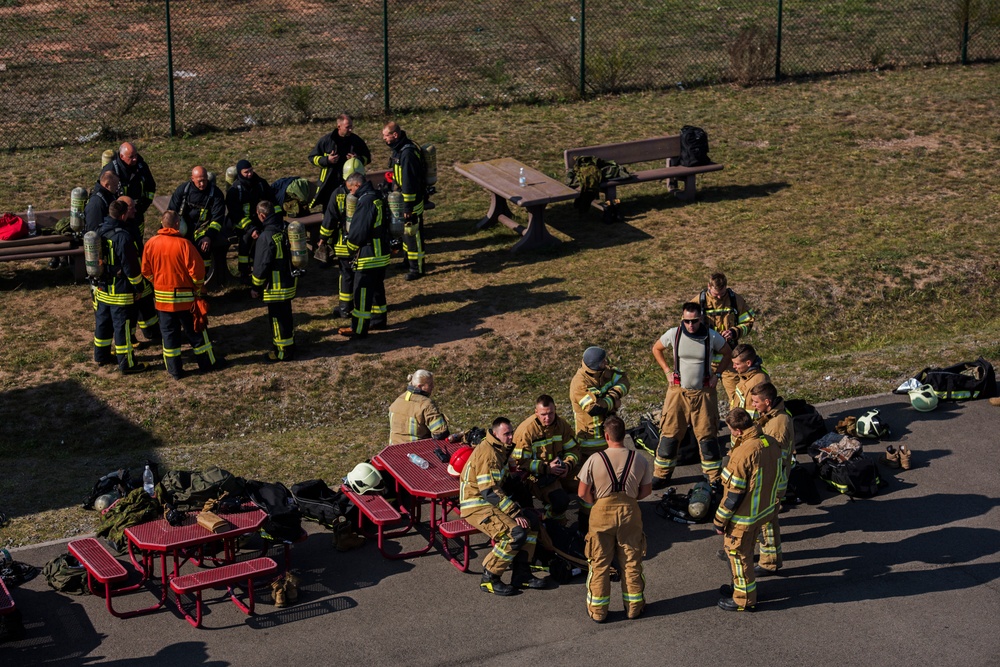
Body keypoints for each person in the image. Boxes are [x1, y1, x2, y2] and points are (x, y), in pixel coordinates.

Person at [460, 417, 549, 595]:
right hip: (477, 505)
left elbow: (505, 482)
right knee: (514, 534)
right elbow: (490, 491)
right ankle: (490, 577)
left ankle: (522, 575)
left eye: (511, 433)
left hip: (489, 502)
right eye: (506, 434)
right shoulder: (489, 454)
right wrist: (515, 512)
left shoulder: (500, 449)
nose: (510, 437)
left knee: (531, 522)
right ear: (495, 434)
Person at [650, 302, 733, 490]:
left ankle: (713, 478)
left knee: (707, 436)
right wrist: (666, 371)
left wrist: (717, 375)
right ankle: (661, 475)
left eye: (694, 321)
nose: (690, 325)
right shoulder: (674, 334)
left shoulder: (712, 337)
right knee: (669, 435)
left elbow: (727, 353)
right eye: (686, 321)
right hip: (677, 393)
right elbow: (656, 348)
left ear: (701, 318)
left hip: (704, 393)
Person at [577, 415, 652, 622]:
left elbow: (582, 493)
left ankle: (598, 612)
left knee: (599, 563)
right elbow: (646, 491)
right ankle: (634, 607)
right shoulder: (639, 459)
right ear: (624, 434)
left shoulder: (594, 459)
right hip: (630, 512)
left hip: (601, 513)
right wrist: (629, 500)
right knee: (631, 561)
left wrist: (598, 503)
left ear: (606, 436)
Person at [141, 210, 223, 379]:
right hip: (185, 301)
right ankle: (206, 364)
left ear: (163, 224)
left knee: (169, 337)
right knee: (197, 334)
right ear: (177, 224)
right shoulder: (184, 245)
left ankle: (175, 371)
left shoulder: (151, 243)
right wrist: (197, 289)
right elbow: (197, 272)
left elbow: (146, 271)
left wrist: (157, 283)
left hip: (163, 302)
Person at [713, 408, 781, 612]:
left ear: (738, 431)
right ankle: (738, 588)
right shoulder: (769, 442)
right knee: (748, 553)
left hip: (744, 517)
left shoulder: (743, 453)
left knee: (738, 556)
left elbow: (733, 494)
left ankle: (743, 599)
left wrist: (719, 521)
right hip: (764, 510)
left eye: (731, 430)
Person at [569, 346, 630, 531]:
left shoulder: (605, 371)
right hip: (590, 443)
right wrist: (613, 402)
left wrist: (612, 395)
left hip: (608, 439)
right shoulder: (579, 384)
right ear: (595, 365)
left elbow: (624, 380)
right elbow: (595, 409)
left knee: (612, 478)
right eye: (604, 361)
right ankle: (585, 521)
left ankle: (609, 514)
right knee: (592, 484)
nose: (607, 362)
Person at [93, 200, 147, 374]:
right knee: (122, 328)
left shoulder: (99, 230)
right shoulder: (123, 236)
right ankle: (127, 364)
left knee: (103, 324)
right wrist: (139, 287)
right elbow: (130, 267)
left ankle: (101, 356)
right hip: (120, 293)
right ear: (123, 215)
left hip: (102, 290)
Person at [511, 395, 581, 522]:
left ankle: (586, 523)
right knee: (559, 501)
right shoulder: (526, 431)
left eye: (551, 413)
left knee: (587, 484)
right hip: (534, 476)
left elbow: (573, 450)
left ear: (555, 410)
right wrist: (546, 468)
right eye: (543, 414)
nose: (547, 418)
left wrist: (567, 465)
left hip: (561, 471)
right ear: (536, 412)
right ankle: (549, 524)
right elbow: (520, 463)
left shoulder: (562, 426)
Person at [750, 382, 795, 575]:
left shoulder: (778, 424)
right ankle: (750, 551)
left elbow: (772, 457)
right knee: (756, 518)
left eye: (755, 401)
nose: (753, 405)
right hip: (766, 476)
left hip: (772, 479)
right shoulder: (770, 416)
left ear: (767, 402)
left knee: (767, 521)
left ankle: (769, 562)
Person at [337, 171, 389, 338]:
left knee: (362, 291)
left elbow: (359, 230)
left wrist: (351, 248)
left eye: (351, 189)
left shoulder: (365, 201)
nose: (351, 193)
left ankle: (358, 328)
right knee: (377, 289)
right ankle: (379, 320)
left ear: (357, 185)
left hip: (369, 255)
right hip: (381, 252)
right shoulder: (377, 196)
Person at [695, 273, 755, 407]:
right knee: (704, 400)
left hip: (729, 360)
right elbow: (687, 326)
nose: (719, 297)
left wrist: (734, 331)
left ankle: (737, 423)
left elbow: (748, 321)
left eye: (722, 293)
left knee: (737, 397)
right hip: (706, 362)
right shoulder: (698, 302)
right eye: (716, 294)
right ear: (708, 286)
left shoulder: (735, 300)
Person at [250, 201, 297, 362]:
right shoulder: (283, 229)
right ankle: (290, 346)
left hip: (275, 287)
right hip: (288, 283)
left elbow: (261, 265)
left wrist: (255, 286)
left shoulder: (266, 236)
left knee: (277, 321)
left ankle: (282, 352)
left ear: (262, 215)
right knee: (287, 317)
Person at [316, 159, 361, 319]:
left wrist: (323, 238)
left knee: (346, 275)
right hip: (362, 243)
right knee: (359, 275)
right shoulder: (368, 193)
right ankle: (360, 305)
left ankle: (344, 308)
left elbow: (330, 219)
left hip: (343, 243)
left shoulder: (337, 193)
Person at [382, 121, 426, 280]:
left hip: (411, 202)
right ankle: (408, 261)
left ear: (395, 135)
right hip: (404, 200)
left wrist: (408, 208)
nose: (384, 139)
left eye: (386, 135)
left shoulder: (407, 154)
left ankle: (418, 268)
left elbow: (409, 183)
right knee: (406, 233)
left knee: (414, 234)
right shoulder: (399, 150)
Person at [166, 166, 226, 276]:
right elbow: (171, 211)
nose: (202, 184)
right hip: (184, 226)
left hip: (204, 228)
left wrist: (209, 236)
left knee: (203, 248)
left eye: (204, 180)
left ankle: (203, 277)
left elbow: (217, 219)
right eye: (199, 181)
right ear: (192, 178)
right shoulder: (183, 190)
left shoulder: (216, 194)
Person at [226, 159, 277, 284]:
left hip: (261, 221)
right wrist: (250, 228)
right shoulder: (235, 190)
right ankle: (244, 271)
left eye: (251, 171)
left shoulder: (260, 183)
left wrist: (274, 220)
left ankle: (265, 268)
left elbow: (272, 202)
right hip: (242, 223)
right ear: (239, 173)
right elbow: (235, 214)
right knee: (245, 240)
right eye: (246, 172)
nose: (249, 174)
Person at [308, 113, 372, 213]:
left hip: (350, 183)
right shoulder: (327, 141)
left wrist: (357, 159)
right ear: (339, 126)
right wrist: (327, 160)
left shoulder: (356, 141)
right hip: (329, 183)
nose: (350, 129)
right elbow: (312, 157)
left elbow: (367, 158)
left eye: (351, 126)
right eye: (347, 127)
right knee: (329, 211)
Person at [118, 196, 161, 345]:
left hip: (140, 270)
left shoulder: (131, 223)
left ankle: (152, 331)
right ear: (123, 212)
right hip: (129, 277)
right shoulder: (121, 232)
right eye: (132, 208)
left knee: (146, 302)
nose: (136, 210)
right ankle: (132, 337)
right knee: (132, 309)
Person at [100, 142, 156, 244]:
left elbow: (151, 187)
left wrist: (142, 206)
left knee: (137, 243)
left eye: (136, 155)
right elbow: (103, 194)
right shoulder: (111, 170)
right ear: (121, 156)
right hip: (119, 219)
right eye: (131, 157)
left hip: (137, 215)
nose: (135, 159)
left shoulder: (142, 167)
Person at [388, 369, 449, 444]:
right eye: (430, 384)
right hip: (416, 451)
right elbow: (441, 433)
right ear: (420, 386)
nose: (433, 386)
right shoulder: (426, 404)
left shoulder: (398, 400)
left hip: (393, 449)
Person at [731, 343, 770, 419]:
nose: (733, 366)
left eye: (737, 364)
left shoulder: (759, 380)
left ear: (748, 363)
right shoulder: (745, 375)